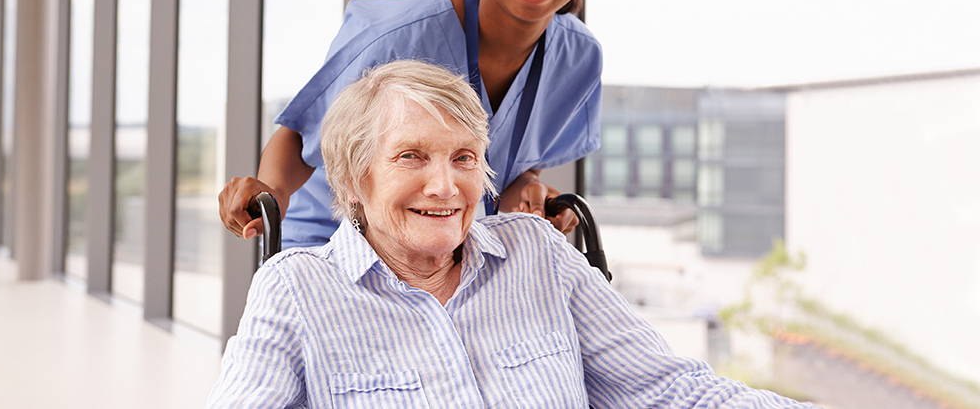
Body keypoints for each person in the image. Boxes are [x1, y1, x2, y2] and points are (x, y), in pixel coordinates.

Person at [207, 61, 818, 408]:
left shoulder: (539, 253)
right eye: (412, 157)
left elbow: (669, 391)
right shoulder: (296, 289)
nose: (446, 187)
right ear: (355, 177)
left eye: (466, 158)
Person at [220, 0, 606, 248]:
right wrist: (271, 194)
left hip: (447, 259)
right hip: (334, 248)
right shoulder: (395, 37)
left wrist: (526, 186)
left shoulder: (579, 58)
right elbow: (300, 136)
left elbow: (516, 158)